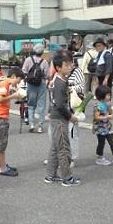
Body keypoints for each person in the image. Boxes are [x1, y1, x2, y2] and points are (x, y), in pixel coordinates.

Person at [45, 50, 80, 187]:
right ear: (59, 67)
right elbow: (60, 104)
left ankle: (50, 175)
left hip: (55, 117)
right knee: (64, 148)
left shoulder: (56, 79)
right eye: (67, 65)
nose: (70, 67)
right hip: (60, 119)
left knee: (55, 146)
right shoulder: (60, 82)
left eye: (71, 64)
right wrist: (71, 117)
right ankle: (67, 177)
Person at [0, 67, 25, 177]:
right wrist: (13, 96)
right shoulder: (4, 85)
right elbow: (0, 99)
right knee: (1, 143)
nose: (17, 83)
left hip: (0, 116)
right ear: (14, 76)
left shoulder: (4, 84)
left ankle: (3, 165)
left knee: (2, 143)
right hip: (0, 117)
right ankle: (2, 168)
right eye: (18, 81)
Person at [93, 85, 113, 167]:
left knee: (112, 141)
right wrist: (107, 116)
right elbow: (96, 117)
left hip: (108, 126)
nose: (109, 96)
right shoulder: (98, 106)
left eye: (109, 95)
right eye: (108, 95)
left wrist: (111, 110)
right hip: (100, 128)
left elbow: (111, 113)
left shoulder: (107, 104)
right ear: (101, 95)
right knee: (101, 143)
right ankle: (99, 157)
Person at [21, 44, 49, 133]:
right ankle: (40, 126)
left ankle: (31, 124)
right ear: (42, 52)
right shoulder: (44, 62)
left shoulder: (28, 60)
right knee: (41, 106)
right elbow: (47, 75)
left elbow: (24, 71)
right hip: (41, 85)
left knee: (31, 105)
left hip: (31, 85)